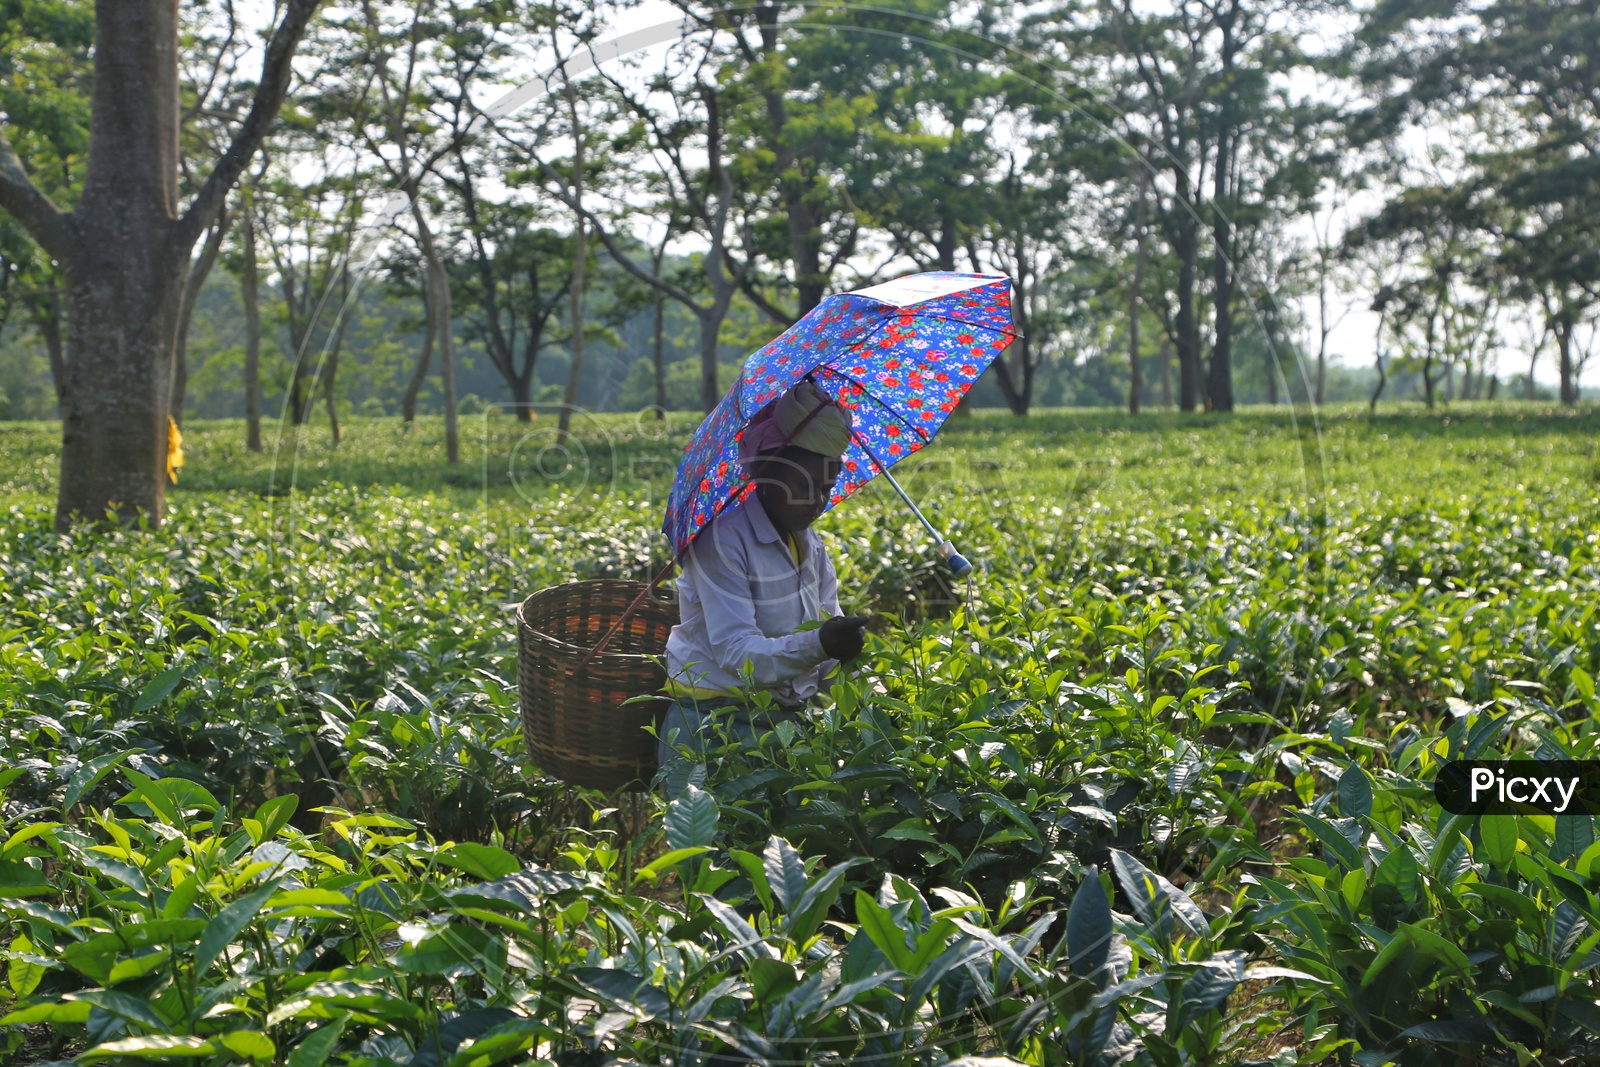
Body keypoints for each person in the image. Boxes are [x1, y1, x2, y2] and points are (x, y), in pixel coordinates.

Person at [656, 379, 871, 770]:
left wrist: (866, 690)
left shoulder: (811, 547)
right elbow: (735, 651)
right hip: (712, 726)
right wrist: (821, 645)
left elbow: (825, 641)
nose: (818, 501)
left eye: (828, 487)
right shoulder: (721, 541)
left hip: (781, 722)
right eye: (804, 485)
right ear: (768, 473)